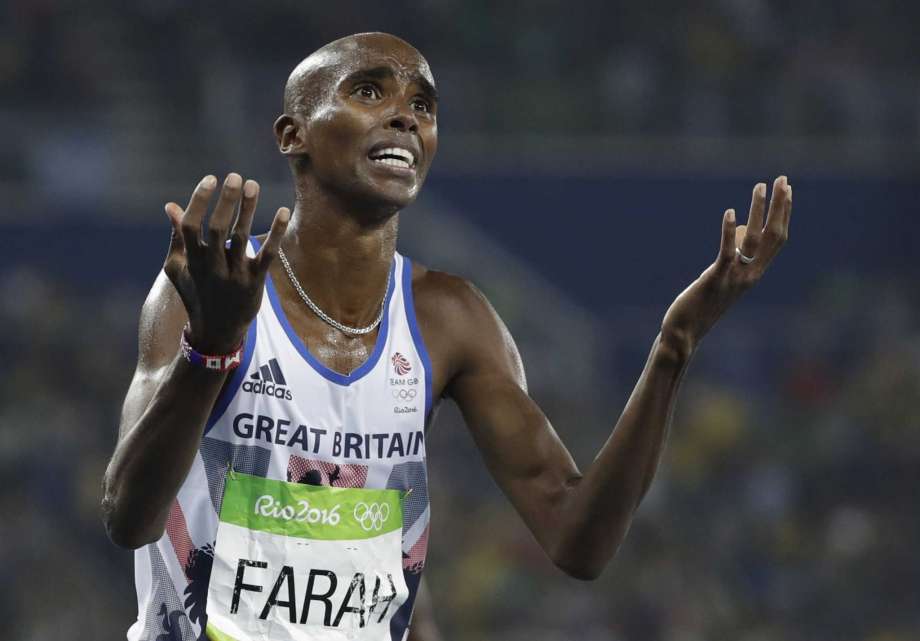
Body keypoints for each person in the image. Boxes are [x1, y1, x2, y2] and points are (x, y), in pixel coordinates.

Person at [101, 32, 792, 641]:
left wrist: (674, 346)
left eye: (423, 105)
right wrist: (213, 346)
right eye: (369, 90)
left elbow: (580, 539)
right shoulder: (213, 289)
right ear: (294, 135)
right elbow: (129, 515)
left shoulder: (450, 317)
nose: (405, 113)